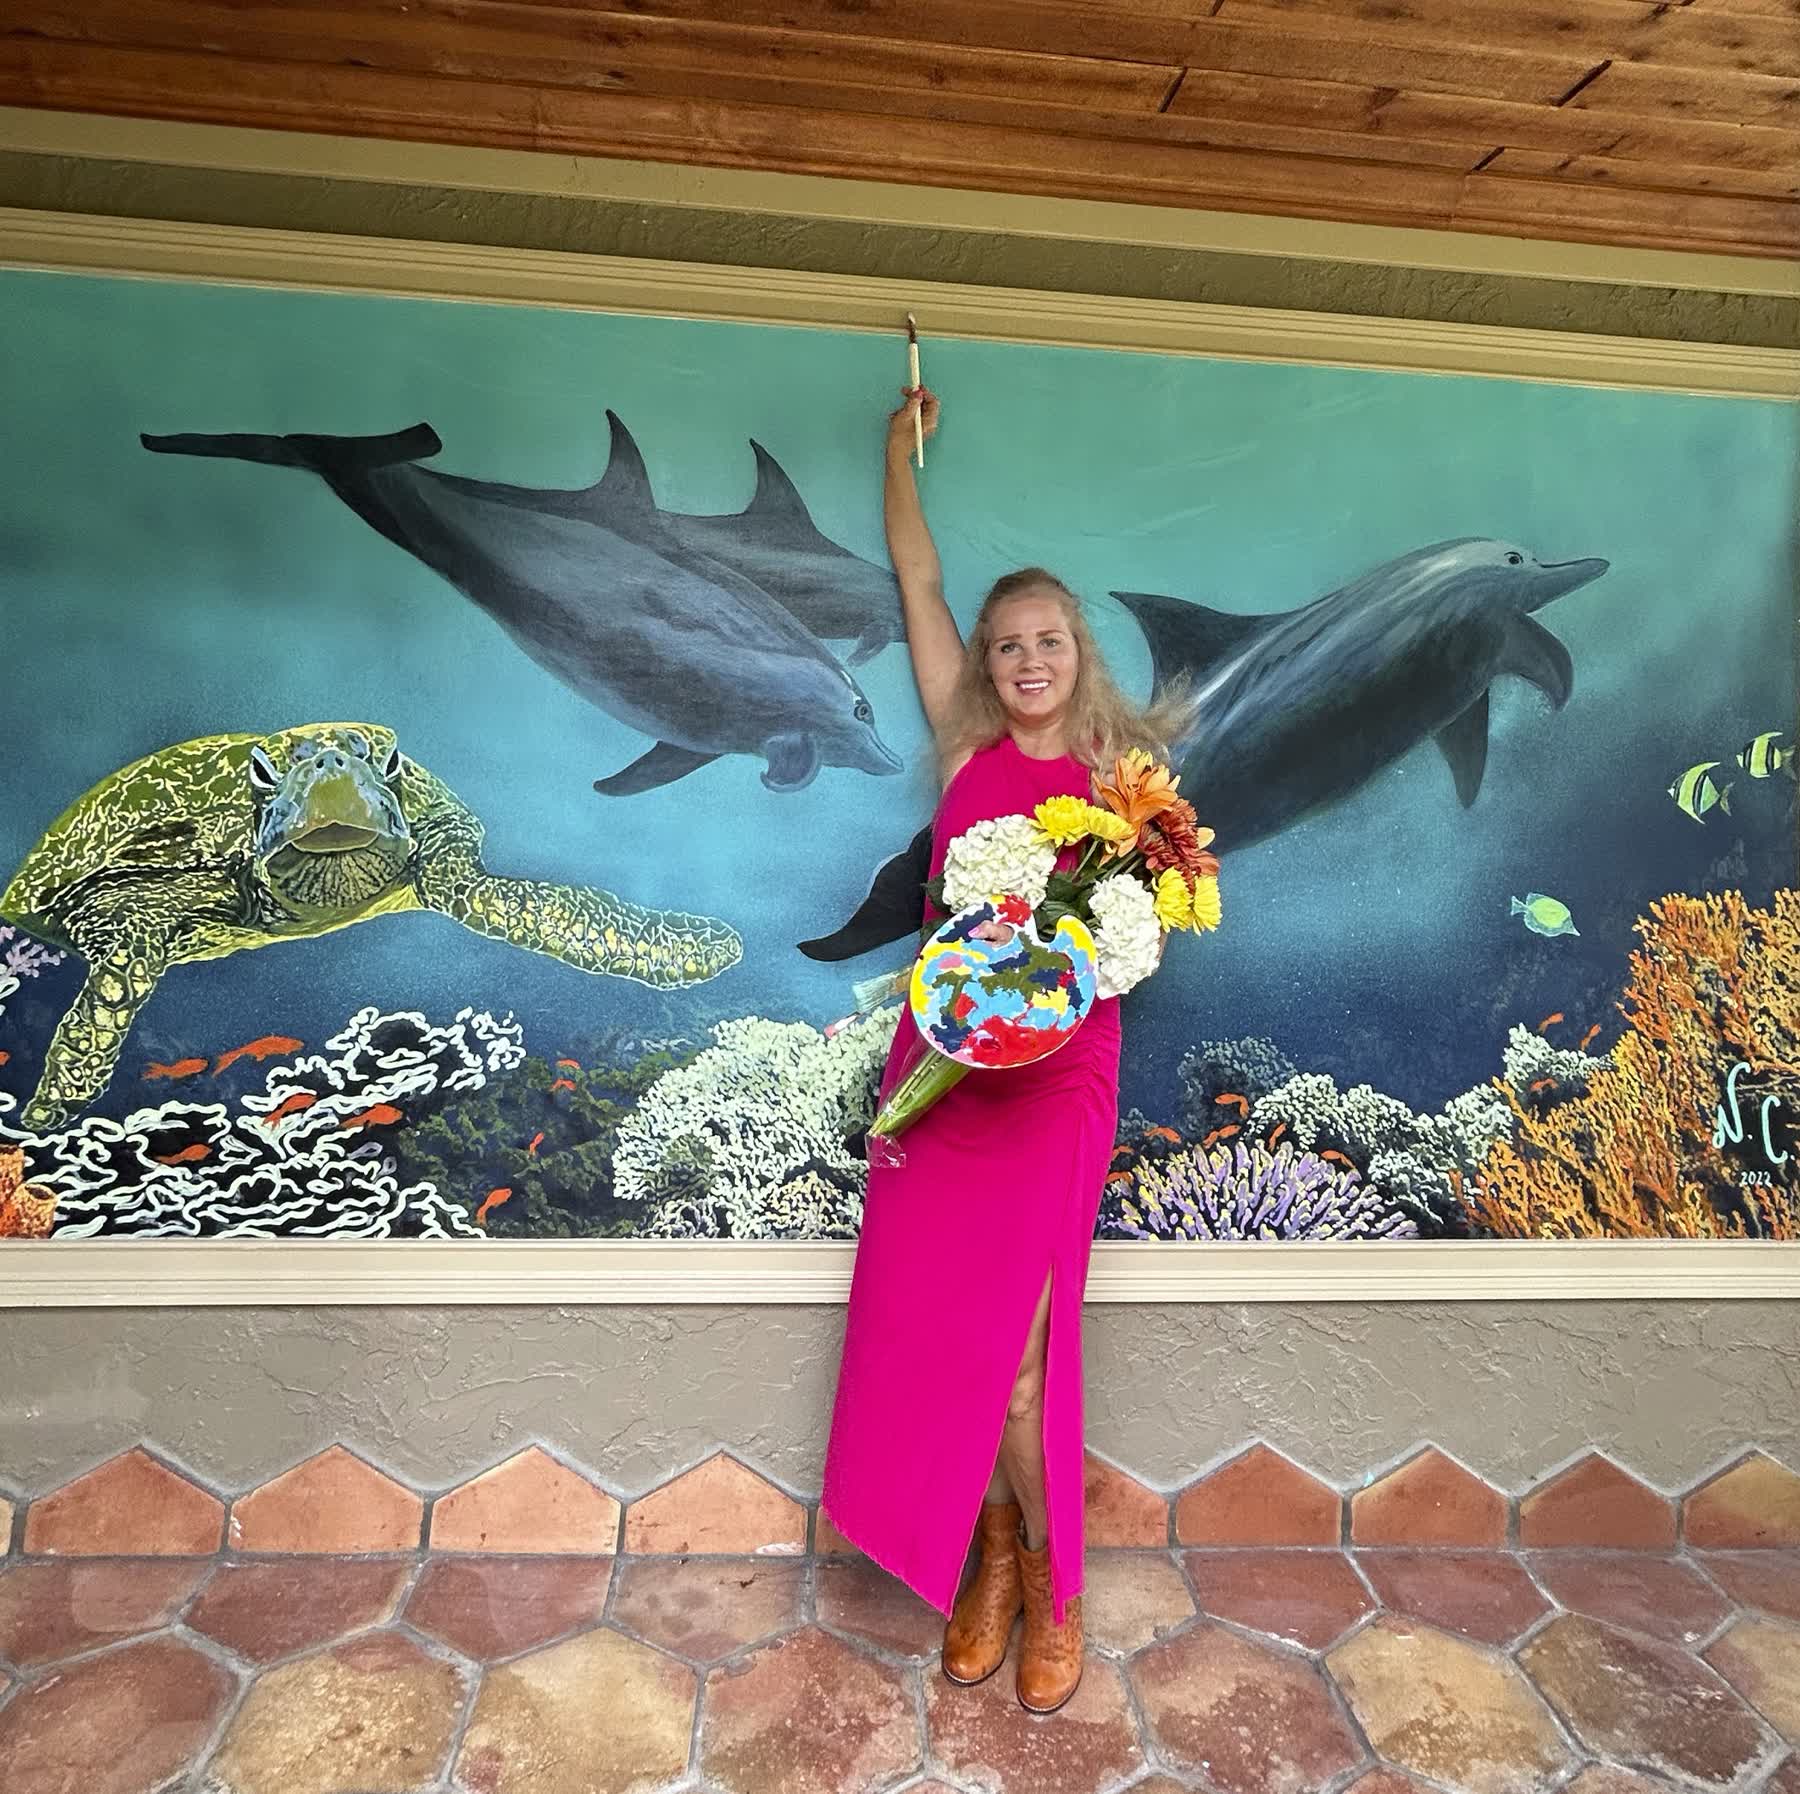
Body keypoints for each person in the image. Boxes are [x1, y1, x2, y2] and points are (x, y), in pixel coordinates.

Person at [820, 382, 1194, 1713]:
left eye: (1048, 639)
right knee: (934, 1331)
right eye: (1007, 642)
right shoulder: (963, 739)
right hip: (941, 1076)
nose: (1027, 657)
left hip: (1055, 1083)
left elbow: (1151, 918)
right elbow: (914, 576)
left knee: (1026, 1360)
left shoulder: (1120, 782)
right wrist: (892, 454)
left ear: (1077, 653)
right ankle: (980, 1548)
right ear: (984, 663)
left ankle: (1051, 1575)